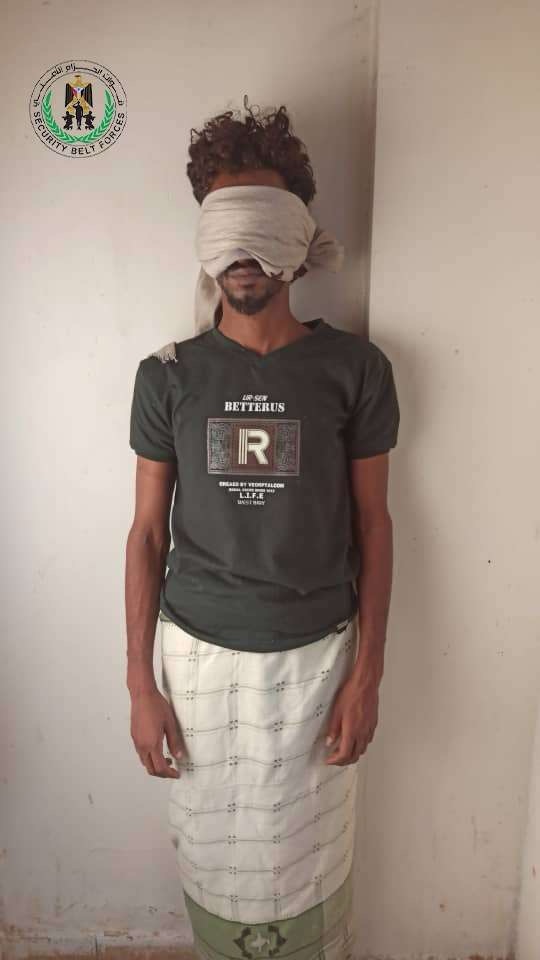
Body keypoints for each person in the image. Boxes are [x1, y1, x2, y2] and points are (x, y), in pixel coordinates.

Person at [125, 99, 400, 960]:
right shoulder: (168, 377)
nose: (243, 254)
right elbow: (145, 536)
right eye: (226, 230)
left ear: (300, 239)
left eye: (263, 228)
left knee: (307, 865)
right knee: (214, 856)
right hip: (197, 658)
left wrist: (368, 675)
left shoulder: (356, 368)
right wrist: (138, 684)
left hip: (318, 658)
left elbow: (374, 524)